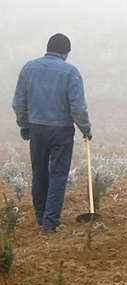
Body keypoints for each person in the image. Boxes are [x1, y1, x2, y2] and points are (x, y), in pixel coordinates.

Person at [12, 33, 92, 233]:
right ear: (66, 53)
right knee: (57, 174)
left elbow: (18, 102)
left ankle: (41, 217)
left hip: (36, 128)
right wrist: (86, 129)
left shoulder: (28, 68)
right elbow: (78, 107)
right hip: (62, 130)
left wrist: (24, 125)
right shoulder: (70, 72)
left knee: (39, 171)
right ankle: (51, 222)